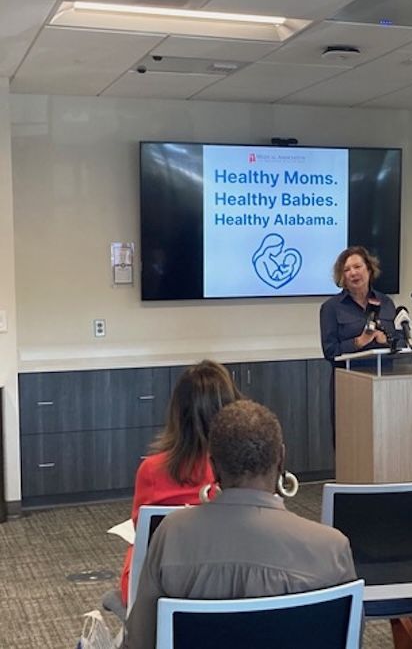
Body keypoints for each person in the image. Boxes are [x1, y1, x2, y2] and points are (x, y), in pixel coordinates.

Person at [123, 400, 357, 649]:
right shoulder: (331, 548)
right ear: (281, 459)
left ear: (213, 466)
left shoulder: (171, 535)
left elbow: (141, 642)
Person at [110, 360, 241, 614]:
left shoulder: (152, 469)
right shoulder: (241, 469)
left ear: (178, 413)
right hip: (227, 584)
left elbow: (143, 531)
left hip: (160, 588)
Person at [319, 246, 397, 363]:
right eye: (347, 270)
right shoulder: (331, 307)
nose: (353, 273)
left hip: (384, 376)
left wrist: (386, 340)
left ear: (369, 270)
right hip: (348, 376)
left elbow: (402, 341)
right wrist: (359, 342)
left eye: (357, 267)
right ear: (342, 277)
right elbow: (330, 351)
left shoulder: (386, 302)